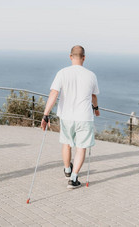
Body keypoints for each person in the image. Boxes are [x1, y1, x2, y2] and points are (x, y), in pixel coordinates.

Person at [41, 45, 100, 189]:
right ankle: (73, 179)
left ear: (70, 56)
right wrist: (96, 109)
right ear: (84, 58)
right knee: (81, 148)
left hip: (66, 116)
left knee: (66, 143)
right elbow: (93, 96)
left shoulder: (62, 73)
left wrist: (45, 114)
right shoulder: (91, 75)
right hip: (84, 117)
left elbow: (54, 93)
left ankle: (67, 169)